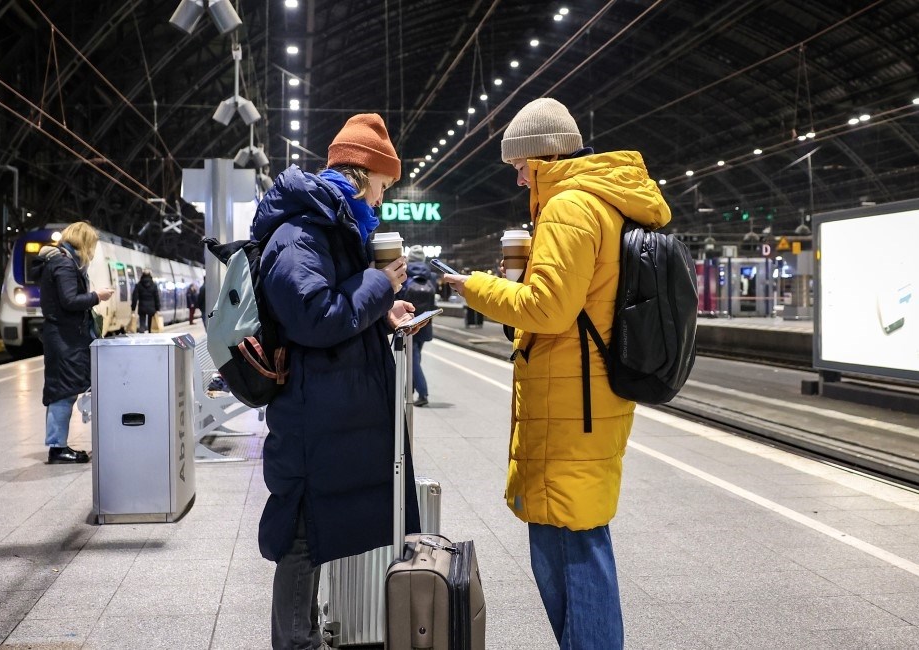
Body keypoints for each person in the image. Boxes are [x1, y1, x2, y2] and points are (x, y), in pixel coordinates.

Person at [441, 98, 670, 649]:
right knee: (574, 540)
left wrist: (476, 287)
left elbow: (549, 309)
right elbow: (568, 307)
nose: (519, 180)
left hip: (575, 408)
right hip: (583, 398)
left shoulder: (570, 207)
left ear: (543, 157)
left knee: (571, 549)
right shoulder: (600, 203)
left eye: (520, 167)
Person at [251, 113, 423, 650]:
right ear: (362, 173)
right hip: (311, 418)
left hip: (329, 413)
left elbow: (338, 307)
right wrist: (377, 283)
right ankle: (294, 643)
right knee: (300, 536)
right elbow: (315, 317)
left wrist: (382, 310)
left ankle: (304, 637)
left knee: (316, 529)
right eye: (382, 187)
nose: (380, 201)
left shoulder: (330, 227)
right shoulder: (299, 232)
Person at [28, 221, 115, 464]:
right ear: (84, 242)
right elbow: (69, 300)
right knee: (63, 393)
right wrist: (98, 296)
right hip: (64, 339)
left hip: (64, 337)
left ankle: (58, 445)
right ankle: (57, 448)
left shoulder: (59, 261)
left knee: (62, 390)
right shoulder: (64, 264)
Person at [398, 245, 437, 406]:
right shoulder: (431, 276)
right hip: (426, 321)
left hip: (409, 320)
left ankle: (423, 393)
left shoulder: (404, 273)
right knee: (416, 357)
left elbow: (398, 295)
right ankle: (410, 389)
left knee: (413, 360)